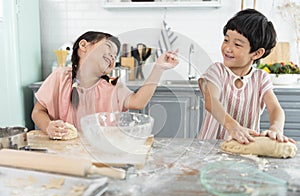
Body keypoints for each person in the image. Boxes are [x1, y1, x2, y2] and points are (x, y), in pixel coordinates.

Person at [32, 31, 179, 139]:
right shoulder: (60, 77)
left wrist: (158, 68)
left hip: (101, 152)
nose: (112, 56)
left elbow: (138, 102)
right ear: (83, 45)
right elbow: (38, 111)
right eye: (109, 47)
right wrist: (48, 127)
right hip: (64, 152)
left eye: (115, 55)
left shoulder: (112, 85)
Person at [198, 9, 295, 144]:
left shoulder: (261, 78)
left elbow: (275, 109)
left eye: (237, 44)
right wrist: (232, 126)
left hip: (246, 148)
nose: (227, 48)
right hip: (210, 148)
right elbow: (211, 102)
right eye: (226, 40)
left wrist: (276, 128)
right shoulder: (217, 71)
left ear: (256, 53)